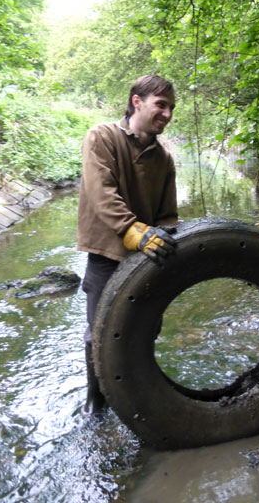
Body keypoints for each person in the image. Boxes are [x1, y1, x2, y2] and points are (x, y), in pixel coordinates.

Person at [77, 74, 179, 414]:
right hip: (107, 255)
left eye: (171, 108)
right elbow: (101, 193)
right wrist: (131, 230)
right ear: (137, 101)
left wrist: (166, 240)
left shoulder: (164, 158)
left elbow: (167, 215)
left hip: (147, 257)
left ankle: (138, 403)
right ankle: (98, 406)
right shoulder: (101, 137)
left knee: (146, 330)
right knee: (101, 334)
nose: (167, 114)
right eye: (161, 105)